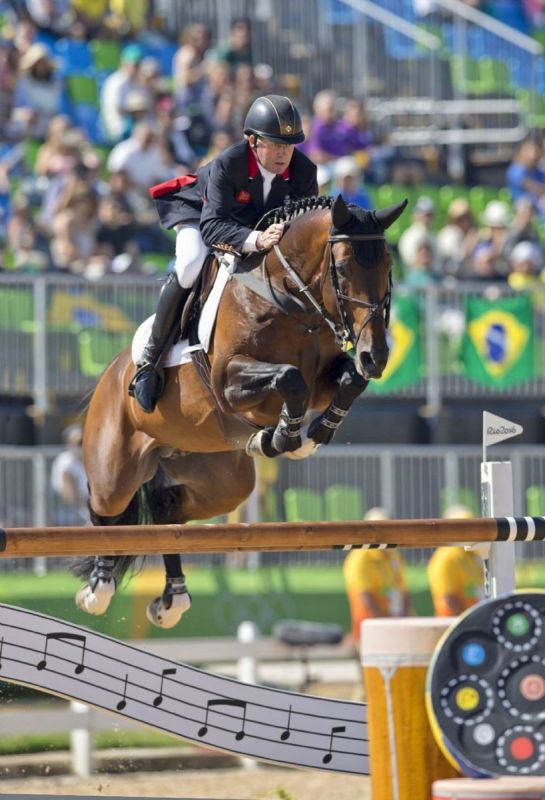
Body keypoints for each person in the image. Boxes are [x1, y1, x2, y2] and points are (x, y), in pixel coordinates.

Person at [129, 94, 318, 414]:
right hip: (202, 215)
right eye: (275, 144)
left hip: (252, 226)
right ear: (253, 141)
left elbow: (303, 228)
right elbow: (213, 226)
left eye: (289, 145)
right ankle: (150, 359)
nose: (283, 153)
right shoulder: (229, 163)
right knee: (191, 263)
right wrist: (256, 239)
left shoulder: (304, 172)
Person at [343, 507, 412, 645]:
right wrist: (387, 625)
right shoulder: (360, 558)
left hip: (394, 626)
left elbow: (402, 590)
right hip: (369, 630)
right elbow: (366, 598)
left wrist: (402, 621)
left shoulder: (392, 554)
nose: (385, 535)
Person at [427, 505, 485, 617]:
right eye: (463, 527)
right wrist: (467, 620)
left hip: (475, 616)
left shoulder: (472, 553)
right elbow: (448, 597)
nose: (469, 531)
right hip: (451, 620)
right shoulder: (446, 557)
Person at [50, 424, 89, 525]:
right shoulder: (65, 461)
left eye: (84, 441)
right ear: (69, 444)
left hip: (87, 514)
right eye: (79, 442)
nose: (82, 446)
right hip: (68, 516)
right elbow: (69, 496)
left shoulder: (90, 461)